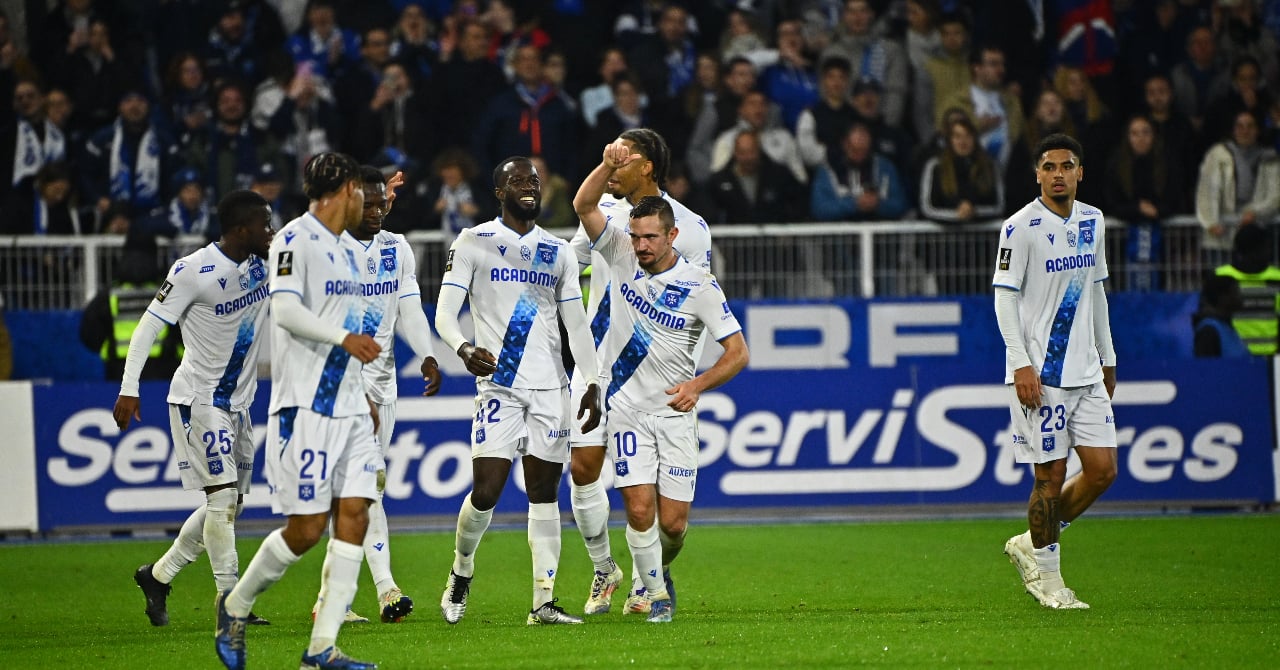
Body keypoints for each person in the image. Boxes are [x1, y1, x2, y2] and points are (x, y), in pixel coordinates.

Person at [214, 152, 382, 670]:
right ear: (348, 189)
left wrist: (364, 392)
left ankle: (321, 648)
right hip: (305, 407)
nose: (366, 201)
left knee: (356, 516)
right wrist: (343, 339)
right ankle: (235, 605)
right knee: (307, 529)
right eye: (362, 191)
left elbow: (350, 324)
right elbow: (286, 311)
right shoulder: (293, 240)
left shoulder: (351, 252)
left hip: (350, 407)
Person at [572, 144, 750, 623]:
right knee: (638, 510)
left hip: (674, 412)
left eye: (651, 237)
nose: (641, 246)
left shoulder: (699, 285)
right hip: (627, 407)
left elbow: (738, 353)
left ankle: (657, 569)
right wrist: (607, 165)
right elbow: (583, 205)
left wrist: (698, 385)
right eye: (636, 237)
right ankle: (655, 596)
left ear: (672, 236)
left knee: (673, 525)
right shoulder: (620, 255)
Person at [433, 155, 602, 626]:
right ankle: (461, 569)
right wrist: (464, 348)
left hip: (551, 387)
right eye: (518, 180)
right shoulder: (474, 241)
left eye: (534, 180)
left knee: (544, 492)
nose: (529, 186)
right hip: (500, 386)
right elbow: (444, 313)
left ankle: (542, 602)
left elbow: (576, 324)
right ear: (500, 192)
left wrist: (591, 381)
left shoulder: (558, 251)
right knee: (486, 490)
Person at [120, 190, 274, 627]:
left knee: (231, 504)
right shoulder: (192, 270)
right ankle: (231, 602)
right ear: (240, 229)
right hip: (200, 398)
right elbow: (148, 326)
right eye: (264, 224)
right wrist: (129, 387)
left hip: (239, 401)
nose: (271, 231)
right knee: (222, 498)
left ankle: (157, 575)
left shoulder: (266, 262)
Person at [308, 165, 442, 624]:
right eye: (369, 203)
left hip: (384, 386)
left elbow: (408, 307)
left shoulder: (396, 248)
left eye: (383, 204)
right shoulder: (327, 248)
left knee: (355, 490)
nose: (378, 212)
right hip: (342, 386)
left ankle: (331, 599)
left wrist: (427, 354)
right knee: (368, 484)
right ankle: (386, 589)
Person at [993, 133, 1117, 610]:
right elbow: (1004, 297)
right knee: (1049, 476)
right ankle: (1050, 583)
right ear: (1037, 174)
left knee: (1102, 471)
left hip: (1087, 372)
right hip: (1042, 376)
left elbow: (1097, 290)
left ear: (1080, 172)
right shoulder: (1019, 227)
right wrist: (1020, 363)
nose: (1058, 174)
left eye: (1067, 166)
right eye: (1049, 167)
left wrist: (1108, 356)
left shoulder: (1093, 220)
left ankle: (1032, 541)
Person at [1195, 111, 1280, 265]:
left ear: (1257, 130)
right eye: (1240, 126)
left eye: (1250, 126)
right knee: (1221, 277)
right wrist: (1210, 221)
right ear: (1233, 129)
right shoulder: (1217, 155)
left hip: (1258, 235)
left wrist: (1255, 212)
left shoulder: (1270, 157)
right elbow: (1206, 190)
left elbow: (1276, 195)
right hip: (1222, 236)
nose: (1245, 131)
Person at [1214, 223, 1280, 356]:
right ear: (1260, 248)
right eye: (1267, 246)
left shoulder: (1276, 278)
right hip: (1237, 358)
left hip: (1267, 359)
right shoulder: (1222, 277)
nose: (1269, 251)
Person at [1193, 274, 1249, 358]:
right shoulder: (1209, 331)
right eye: (1236, 292)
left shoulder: (1226, 326)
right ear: (1223, 298)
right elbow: (1206, 365)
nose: (1241, 297)